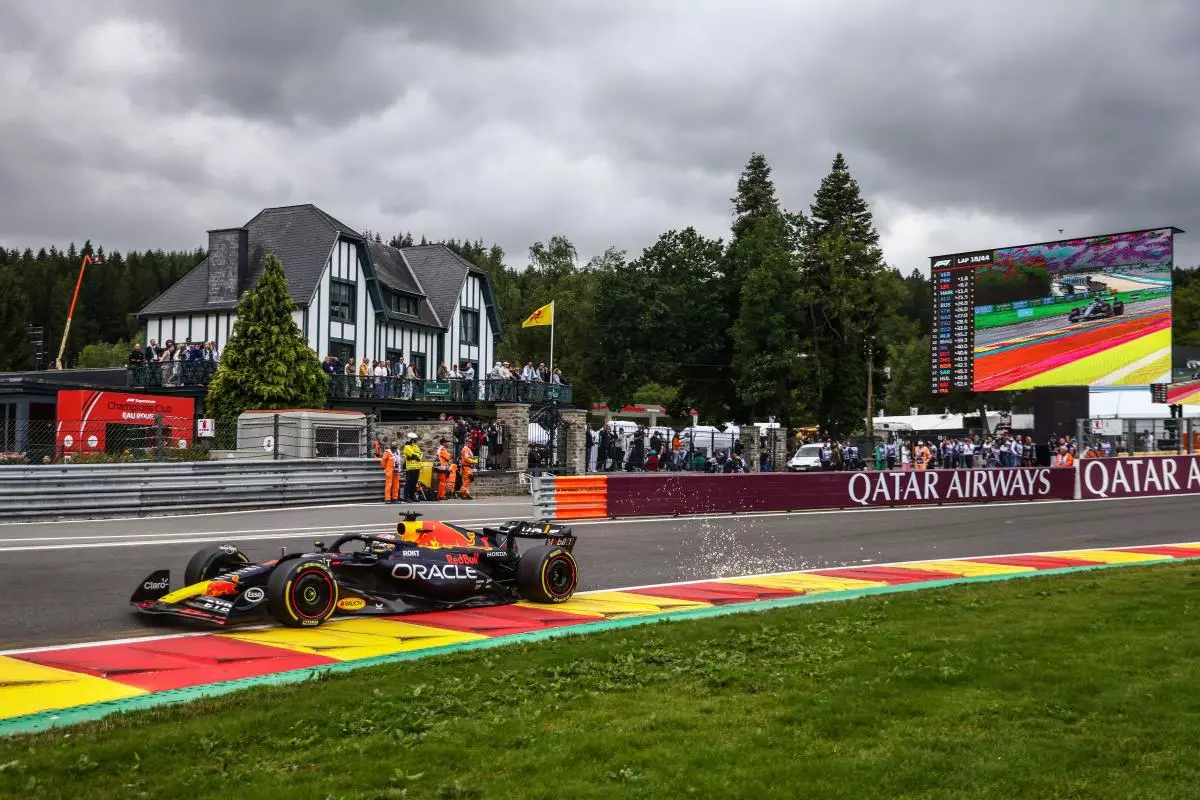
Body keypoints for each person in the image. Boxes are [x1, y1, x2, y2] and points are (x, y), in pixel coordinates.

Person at [402, 433, 423, 502]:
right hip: (410, 467)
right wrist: (417, 455)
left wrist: (417, 455)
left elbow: (421, 454)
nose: (415, 441)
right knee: (409, 482)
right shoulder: (407, 447)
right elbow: (414, 455)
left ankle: (412, 496)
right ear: (410, 439)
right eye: (414, 439)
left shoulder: (415, 446)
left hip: (417, 467)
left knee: (414, 482)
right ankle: (406, 497)